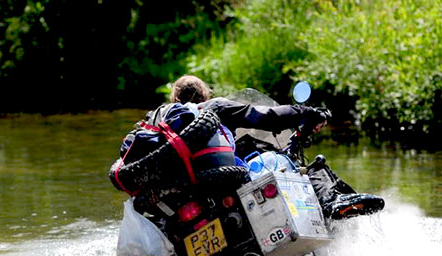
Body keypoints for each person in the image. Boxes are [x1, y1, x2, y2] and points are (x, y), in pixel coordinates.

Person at [148, 74, 384, 220]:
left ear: (174, 101)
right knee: (310, 169)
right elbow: (267, 117)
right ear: (204, 94)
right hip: (224, 188)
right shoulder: (212, 108)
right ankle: (331, 202)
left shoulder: (159, 127)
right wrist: (307, 112)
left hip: (181, 204)